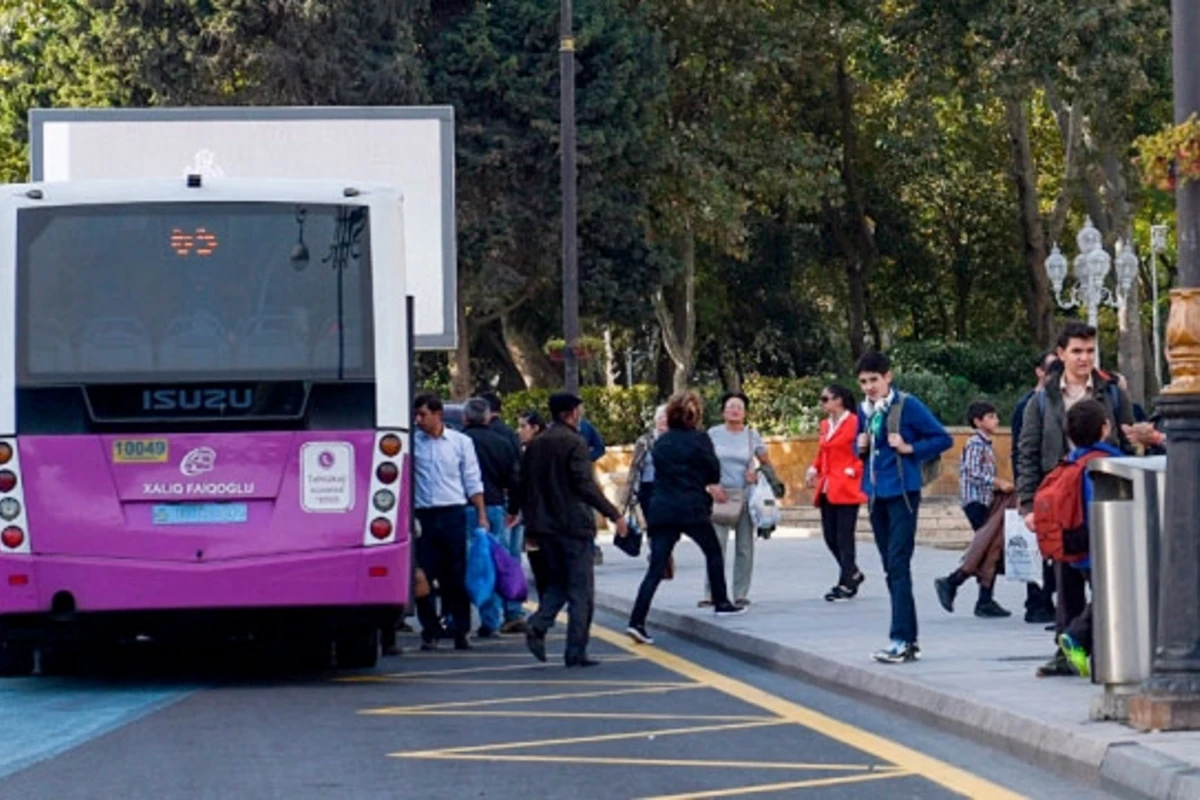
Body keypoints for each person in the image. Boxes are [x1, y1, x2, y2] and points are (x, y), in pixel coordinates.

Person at [1017, 321, 1134, 677]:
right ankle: (1066, 652)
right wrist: (1027, 504)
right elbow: (1028, 451)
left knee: (1112, 579)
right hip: (1062, 501)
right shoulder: (1042, 399)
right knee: (1066, 580)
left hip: (1104, 495)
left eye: (1089, 351)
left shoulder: (1111, 393)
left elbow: (1127, 443)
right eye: (1077, 351)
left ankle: (1098, 646)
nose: (1084, 358)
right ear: (1061, 353)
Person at [508, 392, 628, 667]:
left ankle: (538, 624)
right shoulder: (574, 442)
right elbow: (584, 485)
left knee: (558, 584)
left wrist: (518, 514)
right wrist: (614, 514)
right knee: (581, 591)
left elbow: (521, 483)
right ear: (571, 413)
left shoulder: (535, 445)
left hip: (544, 526)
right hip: (573, 525)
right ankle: (575, 650)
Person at [856, 351, 953, 664]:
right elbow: (864, 450)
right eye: (863, 382)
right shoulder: (865, 411)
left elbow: (942, 438)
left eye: (874, 379)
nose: (869, 386)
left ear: (888, 377)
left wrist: (910, 447)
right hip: (875, 494)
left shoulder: (907, 405)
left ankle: (903, 639)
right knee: (890, 567)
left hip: (903, 493)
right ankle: (904, 638)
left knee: (898, 564)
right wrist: (859, 447)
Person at [627, 391, 746, 644]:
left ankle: (637, 620)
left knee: (656, 567)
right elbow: (713, 471)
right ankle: (722, 602)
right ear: (695, 416)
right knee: (713, 551)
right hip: (691, 508)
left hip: (662, 509)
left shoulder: (662, 442)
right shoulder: (700, 439)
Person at [1044, 399, 1124, 678]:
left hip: (1071, 543)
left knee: (1098, 596)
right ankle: (1077, 637)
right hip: (1102, 544)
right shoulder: (1110, 463)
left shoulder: (1070, 462)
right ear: (1105, 428)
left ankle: (1077, 645)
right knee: (1112, 596)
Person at [411, 392, 488, 652]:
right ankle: (430, 629)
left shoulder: (460, 442)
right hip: (424, 516)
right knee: (422, 576)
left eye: (423, 414)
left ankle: (461, 630)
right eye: (417, 415)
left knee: (455, 576)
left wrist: (481, 514)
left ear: (438, 415)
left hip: (453, 512)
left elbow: (472, 479)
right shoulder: (413, 443)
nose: (418, 420)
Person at [933, 401, 1014, 618]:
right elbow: (972, 472)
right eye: (990, 417)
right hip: (976, 502)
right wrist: (997, 482)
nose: (996, 421)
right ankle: (954, 582)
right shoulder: (976, 444)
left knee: (990, 548)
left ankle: (983, 598)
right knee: (986, 547)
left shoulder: (986, 444)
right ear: (978, 422)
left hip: (985, 501)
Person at [703, 392, 773, 608]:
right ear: (723, 411)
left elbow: (767, 465)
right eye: (731, 406)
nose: (735, 410)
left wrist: (757, 474)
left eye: (739, 407)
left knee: (744, 547)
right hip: (720, 496)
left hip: (745, 495)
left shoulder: (752, 436)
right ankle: (711, 593)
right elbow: (700, 462)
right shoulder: (712, 434)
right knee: (716, 545)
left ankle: (740, 593)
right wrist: (709, 485)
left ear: (745, 413)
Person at [461, 397, 522, 637]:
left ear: (466, 417)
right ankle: (507, 613)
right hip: (496, 505)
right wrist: (514, 509)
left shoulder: (460, 442)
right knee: (499, 561)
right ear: (488, 417)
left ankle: (477, 617)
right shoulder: (502, 442)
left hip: (465, 507)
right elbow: (515, 478)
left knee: (470, 564)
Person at [805, 384, 867, 602]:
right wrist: (814, 469)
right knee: (830, 536)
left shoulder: (855, 422)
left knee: (844, 536)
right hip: (828, 487)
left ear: (839, 400)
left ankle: (845, 583)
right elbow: (823, 451)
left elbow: (865, 451)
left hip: (847, 486)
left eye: (825, 399)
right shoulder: (825, 425)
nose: (822, 403)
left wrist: (854, 470)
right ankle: (853, 572)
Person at [1011, 351, 1059, 625]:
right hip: (1039, 488)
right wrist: (1025, 492)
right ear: (1040, 372)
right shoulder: (1031, 404)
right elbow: (1024, 450)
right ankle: (1037, 601)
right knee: (1039, 550)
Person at [515, 410, 550, 600]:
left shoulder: (539, 451)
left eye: (523, 426)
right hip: (533, 514)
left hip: (542, 513)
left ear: (536, 428)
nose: (519, 431)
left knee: (543, 559)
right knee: (536, 558)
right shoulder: (523, 449)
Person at [621, 404, 668, 521]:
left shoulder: (676, 441)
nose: (664, 420)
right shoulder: (644, 441)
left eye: (667, 417)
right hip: (648, 488)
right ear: (655, 420)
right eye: (661, 417)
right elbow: (635, 466)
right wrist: (631, 494)